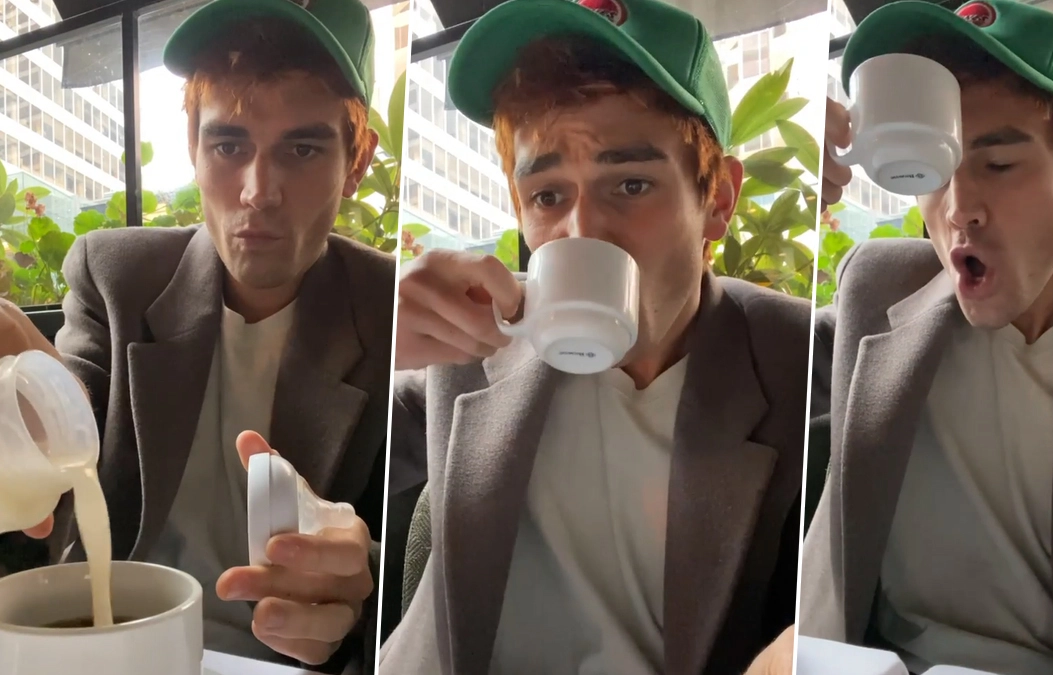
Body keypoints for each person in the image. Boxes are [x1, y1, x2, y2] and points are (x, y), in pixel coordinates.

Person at [377, 0, 811, 672]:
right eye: (548, 196)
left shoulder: (800, 359)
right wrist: (381, 339)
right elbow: (348, 458)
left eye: (631, 184)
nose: (582, 232)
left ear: (718, 201)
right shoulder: (473, 339)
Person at [804, 1, 1053, 673]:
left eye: (999, 164)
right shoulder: (878, 288)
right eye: (936, 167)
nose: (960, 209)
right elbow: (757, 392)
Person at [7, 0, 395, 670]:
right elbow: (78, 399)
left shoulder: (395, 310)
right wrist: (31, 403)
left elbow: (424, 545)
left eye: (302, 149)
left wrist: (360, 585)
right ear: (192, 146)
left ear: (357, 160)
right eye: (228, 145)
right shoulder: (117, 275)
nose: (258, 191)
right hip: (106, 645)